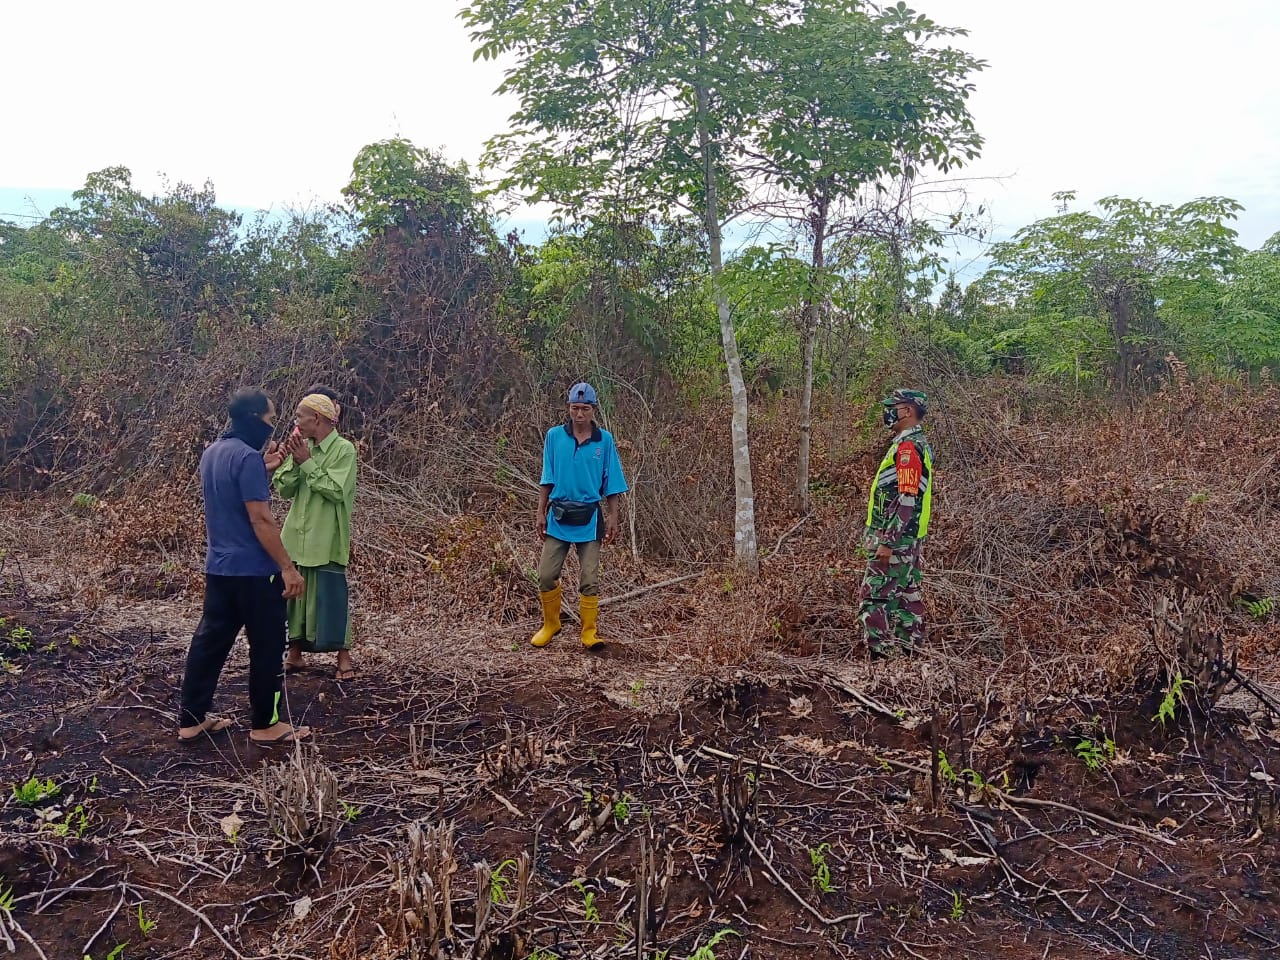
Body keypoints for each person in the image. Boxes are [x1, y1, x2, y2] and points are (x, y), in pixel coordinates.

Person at [178, 388, 309, 744]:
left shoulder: (213, 453)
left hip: (219, 567)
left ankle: (191, 719)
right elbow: (260, 519)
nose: (271, 426)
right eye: (269, 419)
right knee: (267, 646)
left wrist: (265, 466)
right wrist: (288, 567)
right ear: (254, 418)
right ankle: (267, 725)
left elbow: (232, 491)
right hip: (255, 572)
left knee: (210, 642)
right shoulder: (247, 458)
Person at [268, 390, 359, 680]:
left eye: (299, 416)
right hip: (296, 534)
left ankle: (343, 659)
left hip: (327, 537)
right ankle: (294, 655)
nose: (296, 421)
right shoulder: (300, 446)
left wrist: (307, 462)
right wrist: (294, 463)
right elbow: (283, 488)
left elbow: (335, 490)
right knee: (294, 597)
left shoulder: (344, 450)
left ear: (316, 419)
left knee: (331, 596)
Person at [531, 382, 629, 649]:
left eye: (585, 408)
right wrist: (541, 511)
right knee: (546, 575)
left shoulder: (604, 441)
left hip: (589, 517)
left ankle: (589, 631)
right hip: (559, 516)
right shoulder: (554, 436)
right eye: (575, 408)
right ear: (569, 408)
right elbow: (547, 477)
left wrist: (613, 517)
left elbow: (612, 483)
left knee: (589, 579)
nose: (579, 414)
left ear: (594, 409)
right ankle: (551, 624)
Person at [858, 389, 934, 659]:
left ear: (909, 411)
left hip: (898, 539)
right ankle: (911, 658)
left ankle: (880, 661)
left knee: (875, 596)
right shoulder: (912, 443)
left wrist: (888, 541)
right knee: (907, 596)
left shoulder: (909, 447)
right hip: (908, 537)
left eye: (895, 406)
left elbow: (907, 499)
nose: (889, 411)